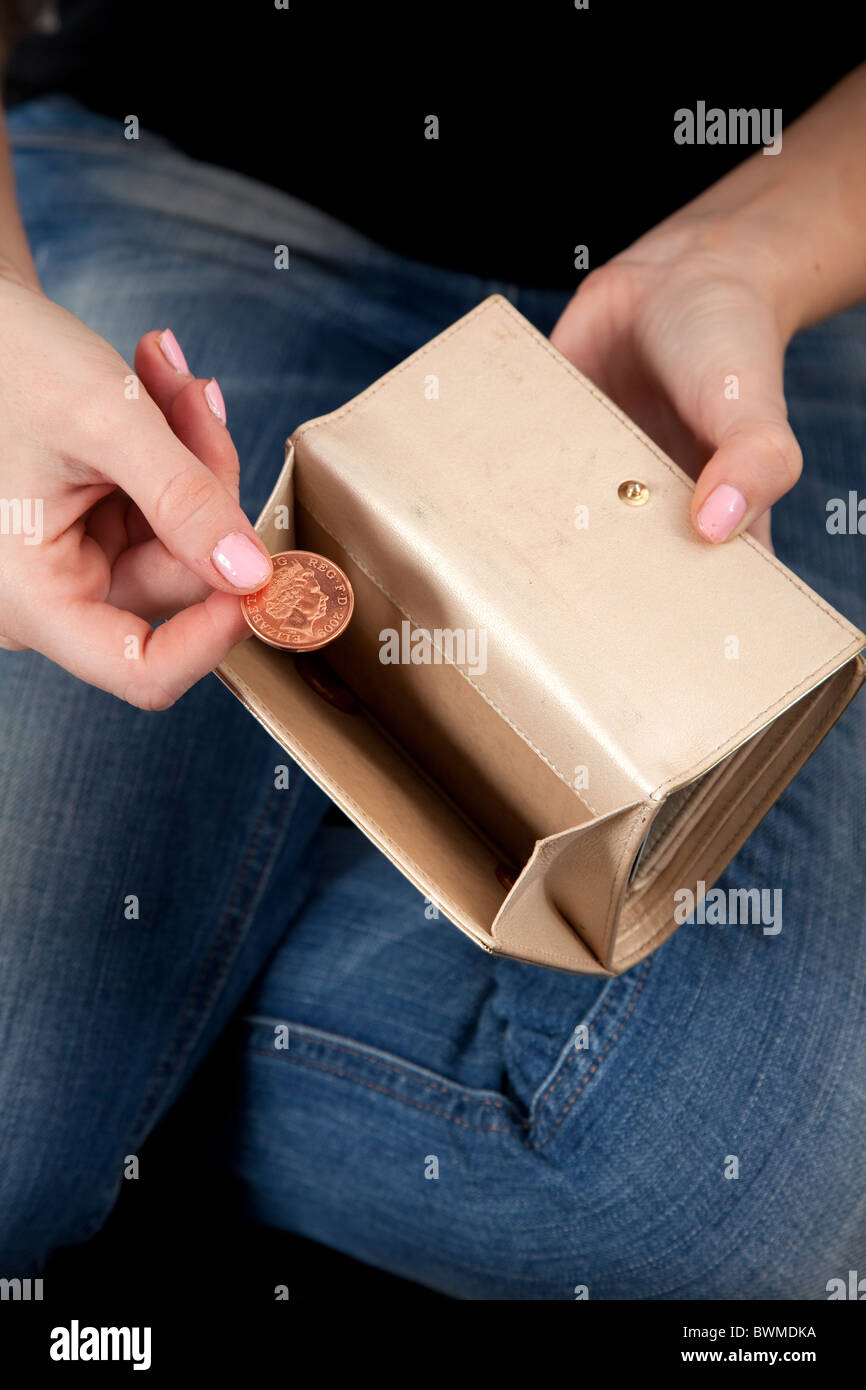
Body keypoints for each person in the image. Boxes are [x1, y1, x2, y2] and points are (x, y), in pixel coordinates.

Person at [0, 3, 863, 1297]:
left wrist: (743, 251)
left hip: (770, 296)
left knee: (710, 1190)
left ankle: (183, 965)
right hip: (189, 199)